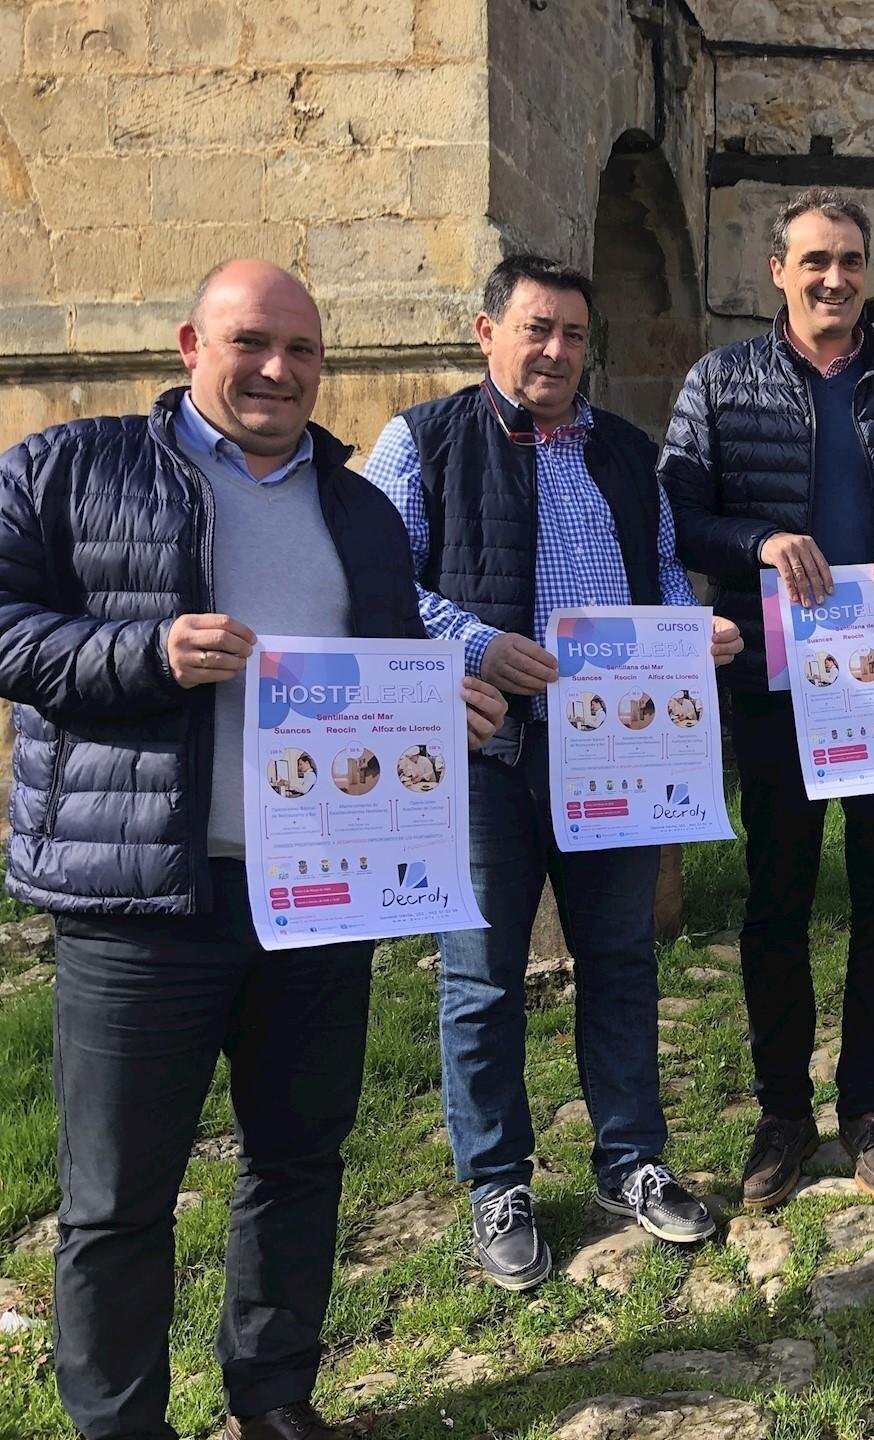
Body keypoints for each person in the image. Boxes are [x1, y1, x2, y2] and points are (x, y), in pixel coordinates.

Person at [0, 259, 507, 1440]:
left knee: (298, 1162)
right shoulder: (69, 468)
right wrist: (145, 654)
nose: (279, 370)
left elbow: (378, 675)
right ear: (192, 345)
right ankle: (120, 1426)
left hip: (319, 891)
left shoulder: (359, 510)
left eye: (302, 351)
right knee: (117, 1199)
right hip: (142, 898)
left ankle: (273, 1398)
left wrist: (438, 706)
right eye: (251, 343)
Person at [365, 254, 744, 1288]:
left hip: (613, 751)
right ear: (486, 331)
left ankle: (631, 1161)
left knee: (620, 961)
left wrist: (691, 634)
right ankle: (498, 1184)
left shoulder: (626, 451)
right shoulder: (422, 440)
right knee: (483, 979)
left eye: (574, 334)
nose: (556, 351)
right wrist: (478, 645)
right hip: (485, 751)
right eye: (537, 328)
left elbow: (660, 579)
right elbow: (378, 583)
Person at [660, 187, 874, 1210]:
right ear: (779, 272)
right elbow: (678, 516)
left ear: (865, 273)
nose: (834, 279)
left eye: (849, 261)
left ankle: (869, 1106)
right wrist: (758, 541)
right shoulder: (721, 382)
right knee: (778, 903)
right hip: (773, 680)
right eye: (815, 261)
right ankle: (783, 1113)